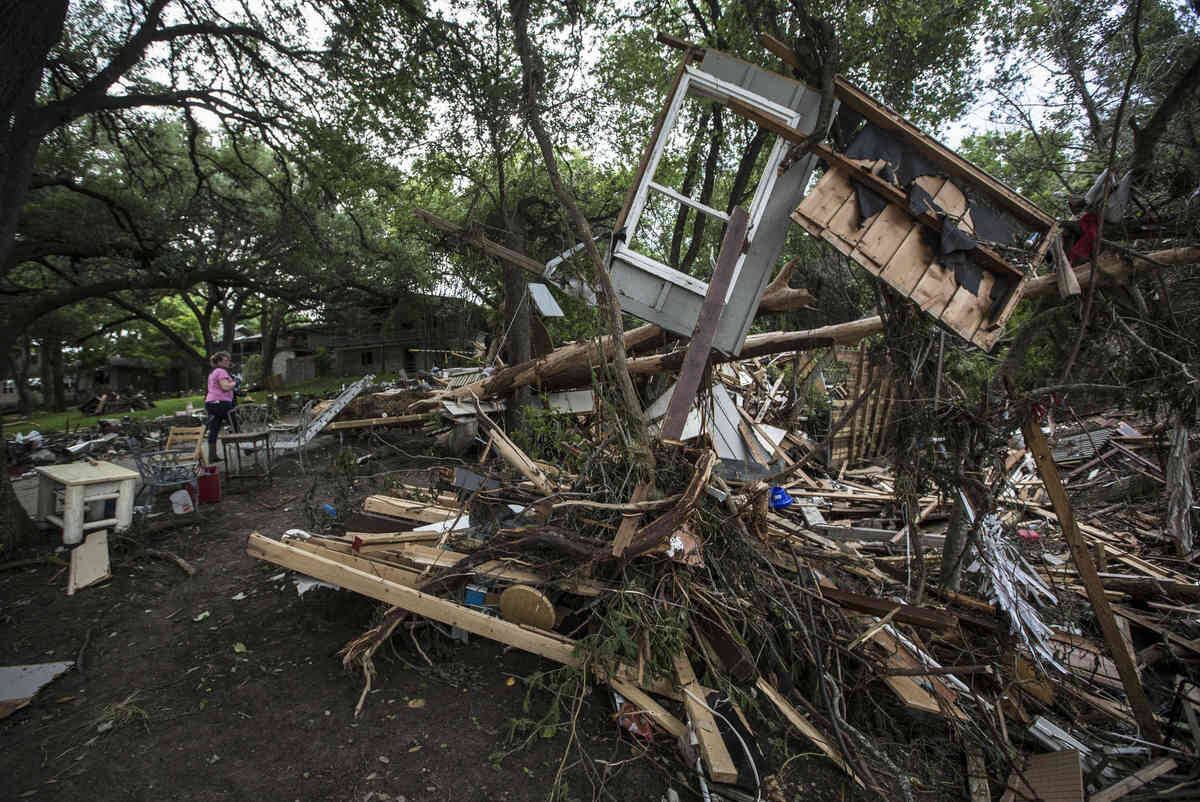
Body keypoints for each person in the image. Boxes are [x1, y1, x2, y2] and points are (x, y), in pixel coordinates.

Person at [204, 352, 237, 463]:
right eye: (225, 360)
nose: (228, 362)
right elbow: (225, 387)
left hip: (210, 403)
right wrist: (235, 382)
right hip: (221, 403)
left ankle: (212, 456)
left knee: (214, 429)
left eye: (228, 360)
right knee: (235, 424)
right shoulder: (221, 371)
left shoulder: (212, 373)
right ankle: (246, 448)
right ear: (219, 362)